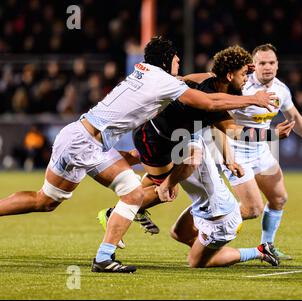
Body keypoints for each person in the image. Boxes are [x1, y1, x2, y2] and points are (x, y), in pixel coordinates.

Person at [0, 36, 275, 273]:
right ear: (167, 61)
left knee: (45, 201)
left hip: (80, 135)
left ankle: (112, 230)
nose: (179, 66)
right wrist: (253, 98)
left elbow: (201, 81)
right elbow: (208, 101)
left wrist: (235, 71)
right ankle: (104, 258)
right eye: (177, 60)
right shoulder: (163, 81)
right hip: (86, 142)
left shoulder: (146, 72)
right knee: (133, 194)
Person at [96, 45, 295, 249]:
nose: (247, 78)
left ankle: (127, 170)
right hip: (155, 138)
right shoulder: (212, 99)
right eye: (244, 74)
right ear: (228, 75)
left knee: (169, 177)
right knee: (165, 191)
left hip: (169, 138)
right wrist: (273, 134)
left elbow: (217, 121)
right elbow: (235, 130)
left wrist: (229, 159)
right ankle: (114, 213)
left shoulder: (211, 81)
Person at [221, 44, 302, 260]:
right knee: (250, 209)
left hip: (261, 151)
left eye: (272, 63)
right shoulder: (241, 88)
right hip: (235, 153)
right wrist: (272, 136)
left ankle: (267, 245)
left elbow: (293, 116)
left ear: (277, 65)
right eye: (262, 63)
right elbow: (228, 130)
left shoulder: (281, 90)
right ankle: (208, 222)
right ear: (253, 65)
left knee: (279, 198)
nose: (267, 67)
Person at [156, 130, 280, 268]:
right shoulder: (176, 134)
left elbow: (191, 163)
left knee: (195, 262)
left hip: (218, 215)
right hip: (203, 205)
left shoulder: (190, 138)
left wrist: (166, 184)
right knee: (178, 233)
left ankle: (260, 252)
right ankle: (207, 249)